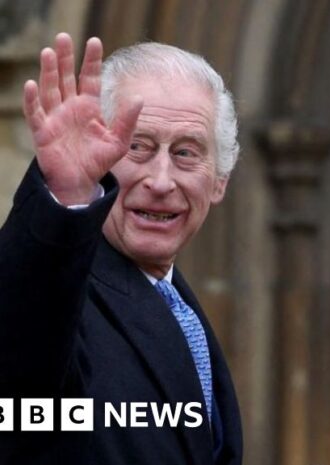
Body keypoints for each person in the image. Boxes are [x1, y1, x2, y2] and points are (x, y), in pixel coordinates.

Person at [0, 33, 242, 464]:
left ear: (219, 179)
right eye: (136, 146)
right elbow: (21, 360)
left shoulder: (176, 302)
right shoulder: (62, 295)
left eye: (186, 153)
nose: (162, 181)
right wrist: (66, 197)